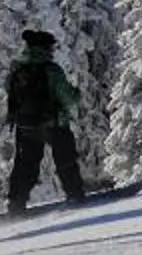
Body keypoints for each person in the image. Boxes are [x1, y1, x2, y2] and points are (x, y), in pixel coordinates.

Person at [6, 30, 88, 216]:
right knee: (65, 159)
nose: (53, 50)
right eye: (52, 46)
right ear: (44, 48)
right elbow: (68, 97)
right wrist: (76, 94)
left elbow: (9, 92)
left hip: (24, 125)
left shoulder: (16, 70)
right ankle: (75, 195)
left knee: (25, 165)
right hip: (53, 123)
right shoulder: (51, 70)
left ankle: (16, 204)